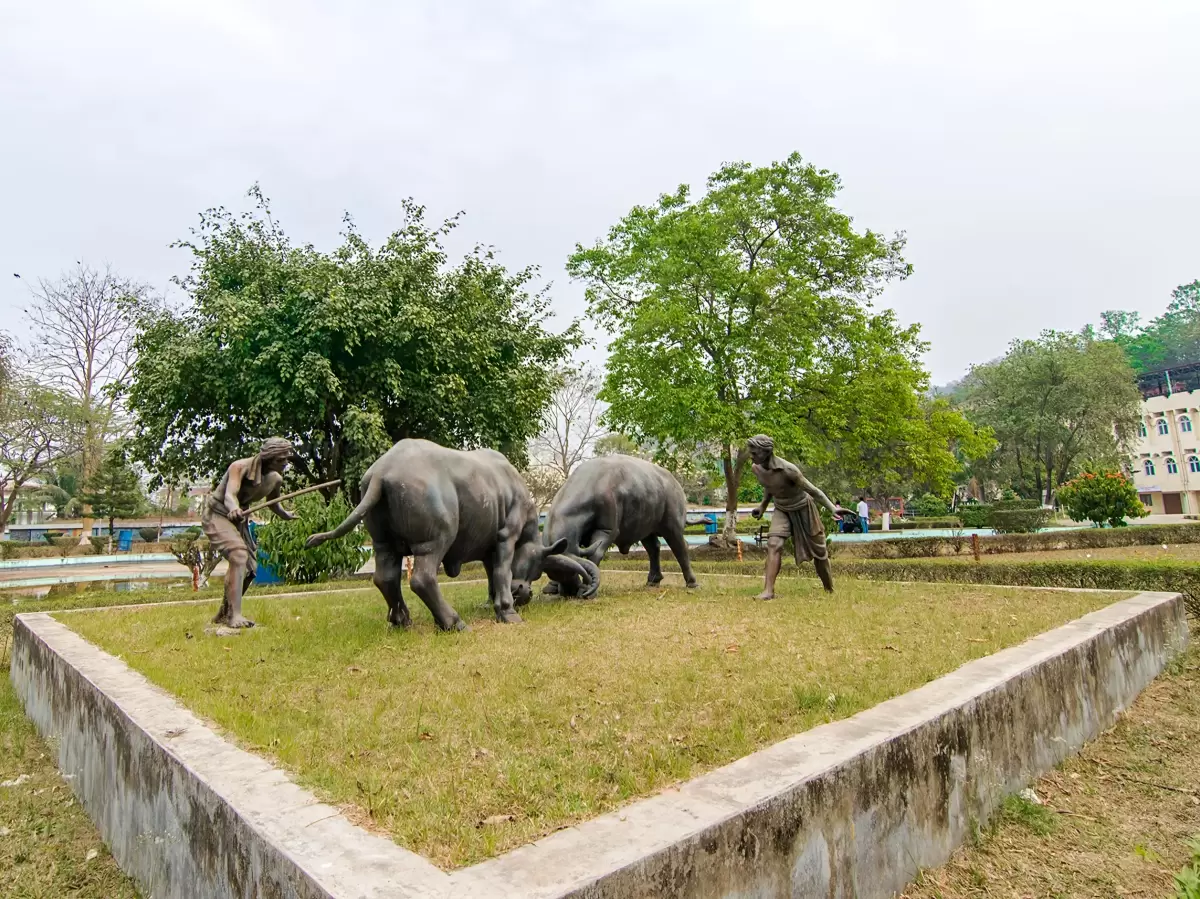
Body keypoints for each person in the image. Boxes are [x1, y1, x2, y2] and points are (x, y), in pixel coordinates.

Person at [202, 437, 297, 628]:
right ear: (268, 457)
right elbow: (230, 494)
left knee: (249, 568)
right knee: (238, 555)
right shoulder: (239, 467)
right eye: (281, 459)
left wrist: (285, 514)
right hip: (219, 514)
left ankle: (225, 613)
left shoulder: (275, 478)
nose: (286, 463)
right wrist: (234, 508)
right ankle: (234, 616)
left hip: (239, 519)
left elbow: (274, 504)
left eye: (287, 458)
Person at [747, 434, 845, 598]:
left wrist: (832, 509)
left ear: (766, 451)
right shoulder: (756, 468)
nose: (751, 456)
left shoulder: (789, 470)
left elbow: (814, 491)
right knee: (774, 543)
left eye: (754, 452)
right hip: (781, 508)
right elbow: (769, 486)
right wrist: (762, 506)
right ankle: (768, 591)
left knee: (819, 552)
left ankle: (829, 588)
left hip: (803, 507)